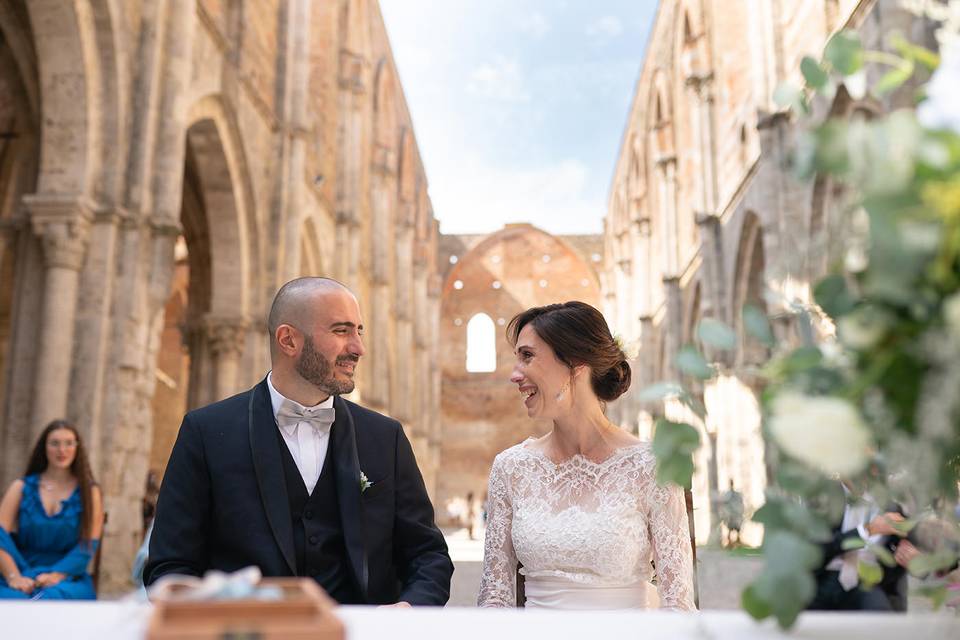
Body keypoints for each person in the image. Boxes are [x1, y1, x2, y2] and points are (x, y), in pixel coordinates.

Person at [145, 277, 453, 606]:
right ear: (288, 340)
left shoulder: (384, 437)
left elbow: (428, 555)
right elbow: (169, 567)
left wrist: (406, 610)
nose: (358, 348)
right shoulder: (205, 432)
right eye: (341, 330)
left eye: (359, 331)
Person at [477, 301, 695, 610]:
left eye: (527, 356)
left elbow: (679, 604)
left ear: (576, 363)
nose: (515, 375)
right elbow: (494, 598)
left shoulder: (652, 465)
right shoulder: (511, 468)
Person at [0, 419, 103, 599]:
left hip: (68, 576)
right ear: (44, 447)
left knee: (50, 599)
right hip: (21, 570)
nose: (62, 450)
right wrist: (13, 576)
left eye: (69, 443)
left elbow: (88, 544)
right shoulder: (20, 487)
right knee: (13, 599)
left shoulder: (90, 492)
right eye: (55, 443)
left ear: (77, 447)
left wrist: (57, 575)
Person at [808, 482, 910, 612]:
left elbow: (904, 543)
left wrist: (904, 554)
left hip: (866, 581)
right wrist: (867, 530)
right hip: (824, 577)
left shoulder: (890, 505)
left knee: (882, 616)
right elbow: (815, 549)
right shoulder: (822, 499)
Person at [717, 480, 744, 548]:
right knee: (730, 529)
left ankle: (738, 542)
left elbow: (740, 502)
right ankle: (729, 543)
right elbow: (724, 503)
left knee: (737, 529)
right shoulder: (728, 494)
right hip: (730, 514)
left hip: (736, 513)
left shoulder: (736, 494)